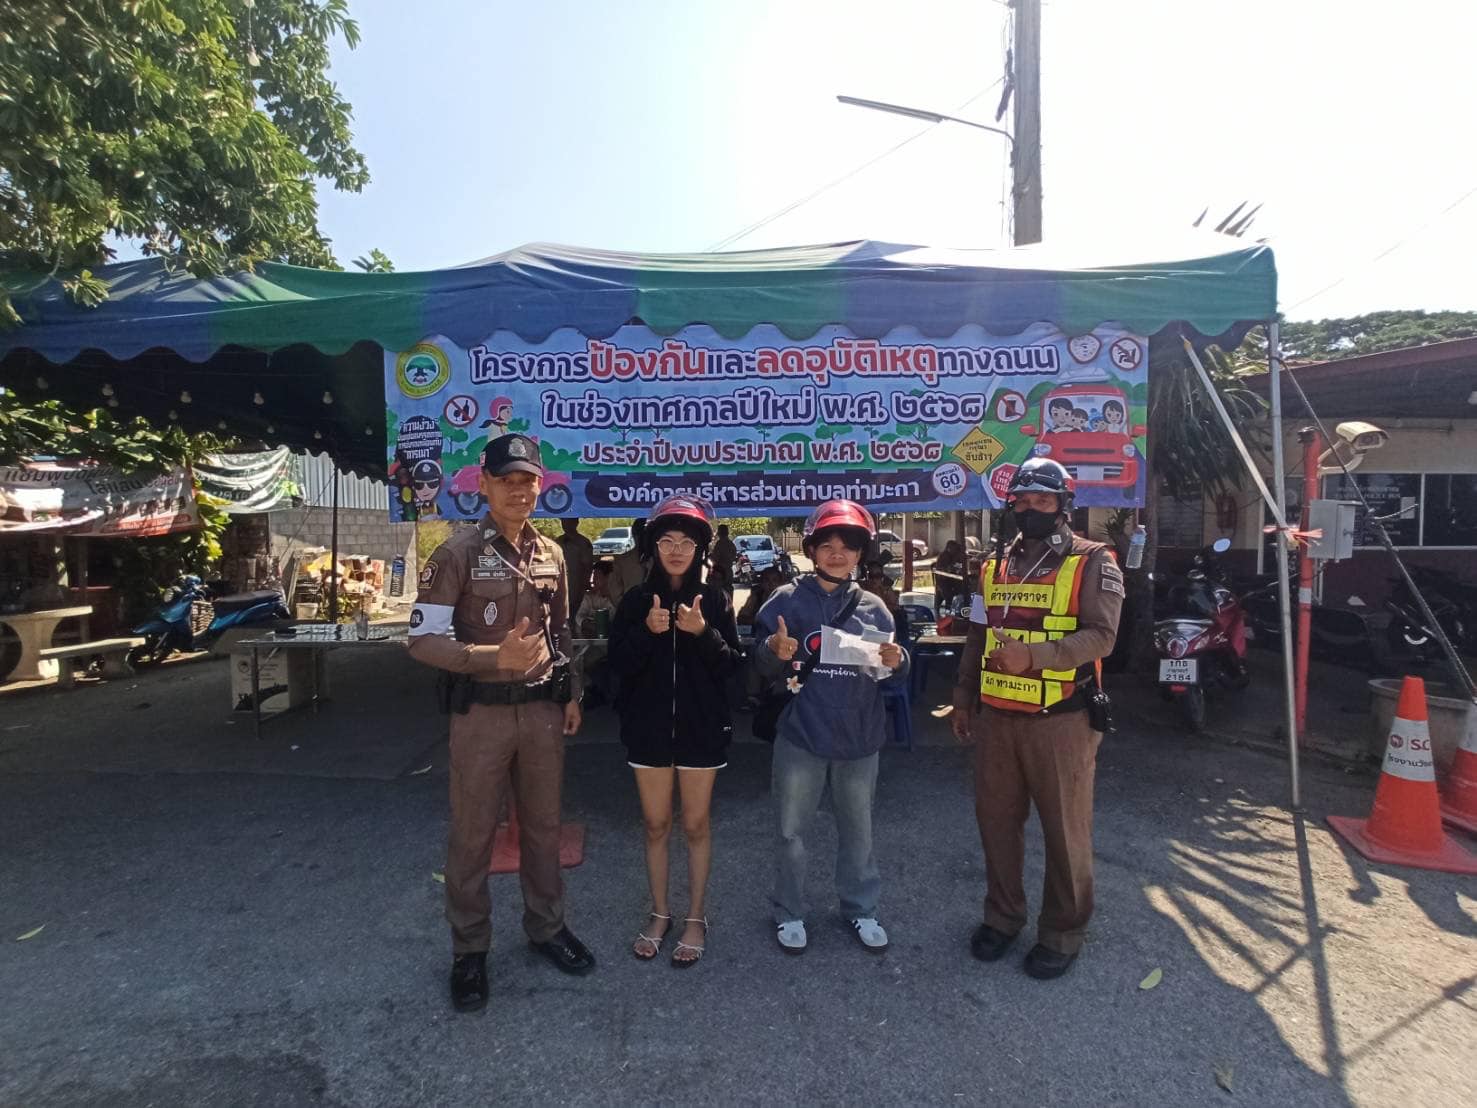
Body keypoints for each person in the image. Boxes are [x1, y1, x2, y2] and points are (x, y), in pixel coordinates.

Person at [407, 432, 594, 1014]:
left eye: (527, 481)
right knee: (473, 834)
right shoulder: (456, 554)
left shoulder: (553, 554)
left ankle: (547, 927)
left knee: (543, 827)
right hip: (481, 716)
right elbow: (422, 640)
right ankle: (469, 949)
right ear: (483, 485)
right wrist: (492, 658)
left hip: (540, 712)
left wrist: (571, 694)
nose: (519, 490)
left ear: (540, 486)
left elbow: (561, 633)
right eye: (507, 480)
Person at [950, 457, 1123, 980]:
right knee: (997, 824)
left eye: (1042, 501)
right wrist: (964, 695)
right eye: (1022, 501)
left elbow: (1102, 636)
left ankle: (1062, 932)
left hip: (1061, 720)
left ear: (1063, 505)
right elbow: (978, 634)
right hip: (998, 719)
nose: (1030, 509)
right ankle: (1002, 917)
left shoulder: (1093, 561)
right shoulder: (992, 565)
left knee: (1065, 831)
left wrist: (1035, 656)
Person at [752, 500, 909, 956]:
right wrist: (773, 650)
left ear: (861, 553)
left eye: (848, 546)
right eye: (827, 545)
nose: (837, 554)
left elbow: (891, 670)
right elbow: (758, 665)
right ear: (811, 550)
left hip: (859, 737)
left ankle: (861, 908)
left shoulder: (875, 608)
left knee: (859, 833)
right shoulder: (786, 600)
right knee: (790, 832)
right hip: (801, 735)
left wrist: (900, 661)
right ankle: (789, 911)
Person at [608, 496, 743, 967]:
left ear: (700, 548)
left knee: (696, 825)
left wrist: (703, 633)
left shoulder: (717, 599)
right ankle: (660, 913)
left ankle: (696, 917)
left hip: (701, 730)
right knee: (655, 825)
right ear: (653, 547)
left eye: (687, 541)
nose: (677, 550)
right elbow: (616, 669)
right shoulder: (634, 601)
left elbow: (733, 670)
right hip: (647, 731)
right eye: (666, 540)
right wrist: (646, 632)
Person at [554, 517, 595, 620]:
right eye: (563, 521)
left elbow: (588, 566)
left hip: (577, 585)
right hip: (559, 586)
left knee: (575, 614)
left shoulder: (583, 543)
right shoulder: (557, 542)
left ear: (576, 522)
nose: (565, 524)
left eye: (568, 521)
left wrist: (584, 585)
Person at [607, 518, 647, 610]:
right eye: (642, 535)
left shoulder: (660, 560)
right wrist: (626, 606)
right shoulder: (621, 560)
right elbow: (614, 589)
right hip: (630, 608)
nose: (644, 538)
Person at [933, 539, 967, 612]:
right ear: (949, 548)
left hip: (953, 579)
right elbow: (945, 570)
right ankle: (949, 608)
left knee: (964, 587)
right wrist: (954, 566)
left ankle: (962, 606)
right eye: (954, 549)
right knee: (952, 593)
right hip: (944, 581)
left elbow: (959, 566)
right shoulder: (944, 556)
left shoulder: (956, 555)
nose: (956, 551)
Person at [709, 523, 738, 595]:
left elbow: (715, 558)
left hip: (720, 573)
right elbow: (733, 556)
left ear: (719, 533)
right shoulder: (731, 544)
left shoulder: (720, 544)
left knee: (718, 591)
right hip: (729, 571)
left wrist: (710, 556)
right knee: (729, 589)